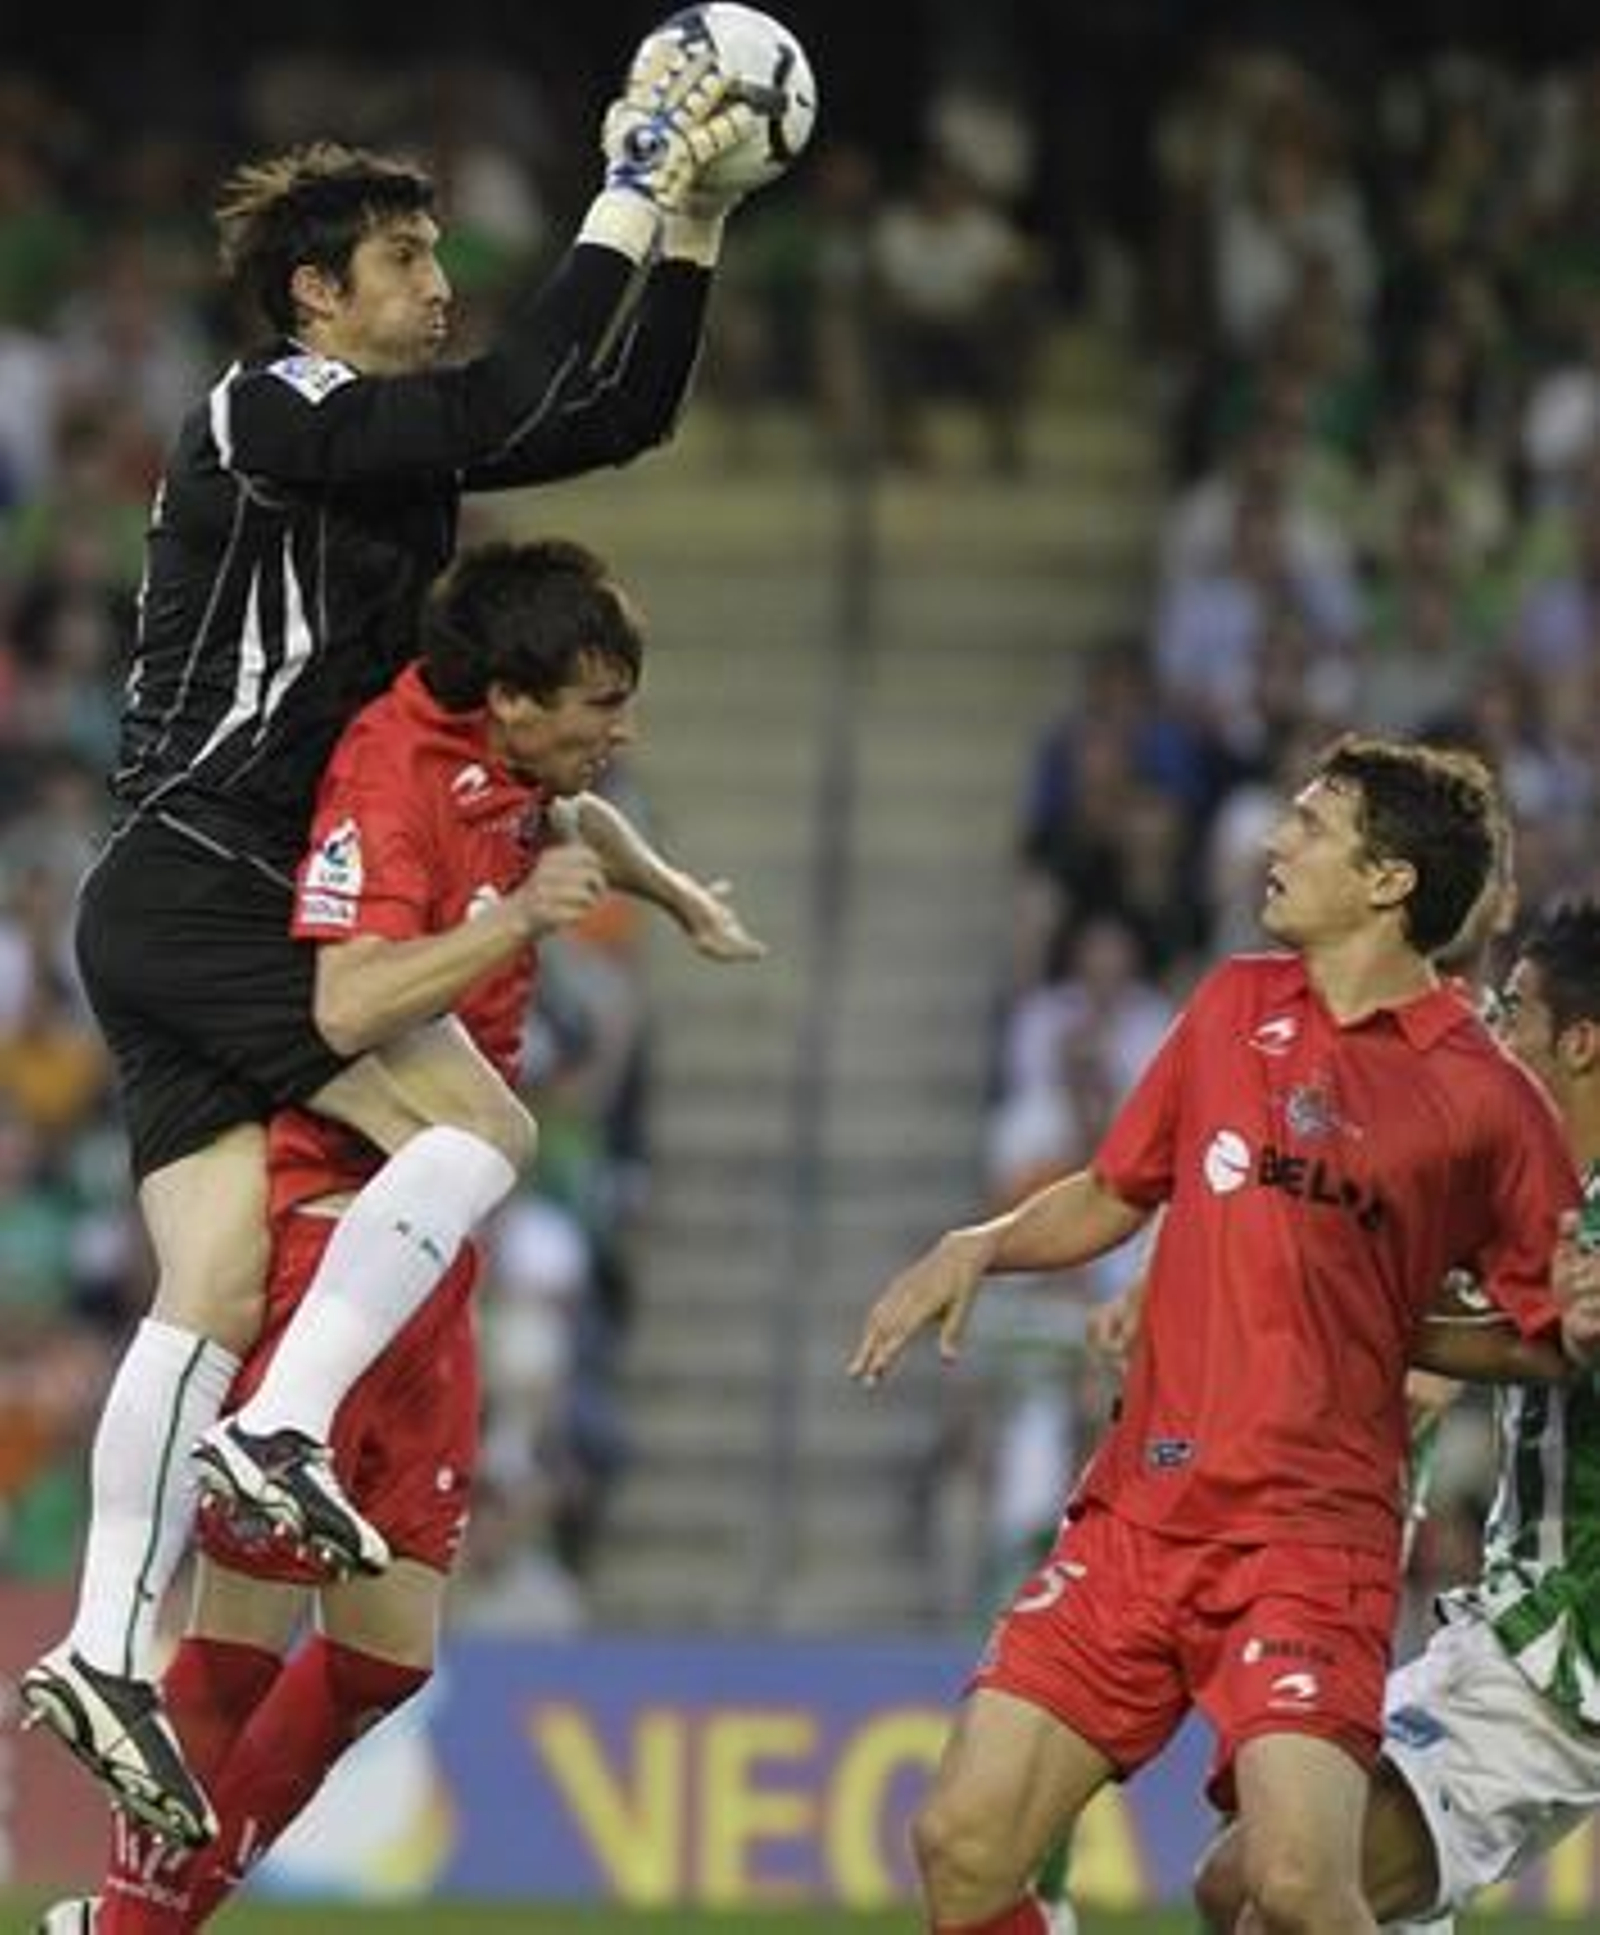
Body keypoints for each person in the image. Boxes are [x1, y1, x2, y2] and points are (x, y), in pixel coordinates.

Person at [20, 30, 764, 1850]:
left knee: (204, 1284)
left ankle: (106, 1643)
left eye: (439, 262)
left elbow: (604, 419)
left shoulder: (374, 463)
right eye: (410, 269)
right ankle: (283, 1441)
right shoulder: (260, 412)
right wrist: (627, 182)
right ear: (314, 296)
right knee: (481, 1130)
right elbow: (513, 394)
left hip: (173, 897)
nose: (441, 293)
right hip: (206, 874)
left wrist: (700, 229)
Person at [34, 534, 764, 1934]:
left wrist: (667, 890)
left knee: (386, 1658)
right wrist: (512, 928)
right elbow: (349, 1005)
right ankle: (128, 1923)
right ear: (512, 696)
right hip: (336, 1233)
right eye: (601, 703)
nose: (623, 731)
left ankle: (128, 1924)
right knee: (238, 1651)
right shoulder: (391, 773)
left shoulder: (523, 772)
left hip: (430, 1257)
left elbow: (573, 831)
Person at [849, 733, 1600, 1935]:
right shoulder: (1232, 1003)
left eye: (1310, 824)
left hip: (1310, 1541)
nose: (1273, 841)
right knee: (963, 1846)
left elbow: (1542, 1331)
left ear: (1388, 880)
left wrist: (1405, 1322)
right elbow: (1114, 1187)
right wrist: (979, 1242)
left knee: (1295, 1892)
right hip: (1144, 1514)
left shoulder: (1486, 1099)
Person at [1194, 896, 1600, 1935]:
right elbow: (1459, 1322)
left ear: (1580, 1042)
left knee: (1282, 1894)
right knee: (1239, 1887)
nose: (1495, 1039)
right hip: (1511, 1624)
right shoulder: (1539, 1195)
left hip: (1561, 1657)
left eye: (1513, 1014)